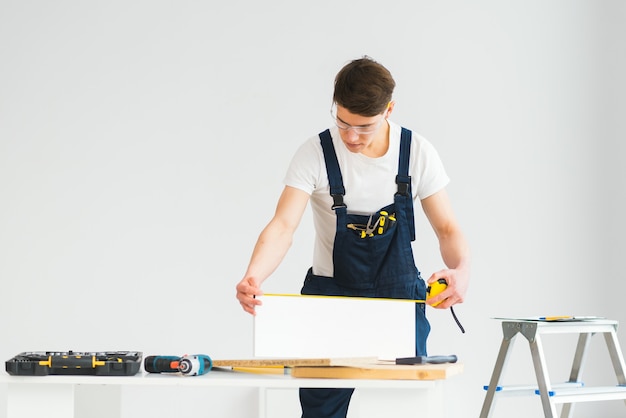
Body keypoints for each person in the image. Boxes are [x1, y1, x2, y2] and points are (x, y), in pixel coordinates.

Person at [236, 56, 470, 418]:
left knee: (404, 407)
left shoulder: (416, 153)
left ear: (389, 110)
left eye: (364, 127)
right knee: (321, 412)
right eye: (342, 122)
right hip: (330, 298)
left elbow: (447, 228)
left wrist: (462, 269)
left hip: (399, 302)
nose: (350, 136)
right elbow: (283, 226)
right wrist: (254, 276)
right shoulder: (314, 154)